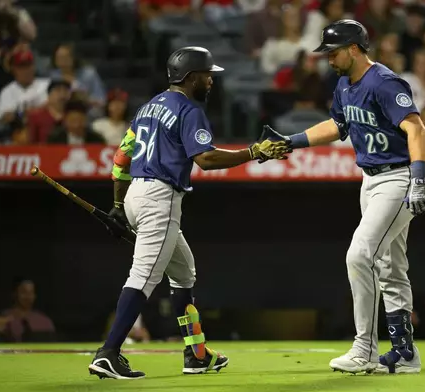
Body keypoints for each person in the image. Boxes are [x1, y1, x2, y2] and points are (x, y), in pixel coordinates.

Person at [87, 46, 291, 380]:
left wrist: (119, 206)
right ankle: (109, 352)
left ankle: (196, 354)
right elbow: (206, 159)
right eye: (207, 75)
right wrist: (253, 151)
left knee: (184, 273)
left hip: (138, 193)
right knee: (143, 276)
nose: (211, 80)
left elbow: (121, 160)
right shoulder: (189, 108)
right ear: (190, 77)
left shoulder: (147, 108)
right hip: (160, 197)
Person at [262, 20, 425, 374]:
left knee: (360, 256)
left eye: (333, 52)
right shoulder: (344, 85)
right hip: (370, 180)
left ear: (354, 48)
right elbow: (338, 127)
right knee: (390, 267)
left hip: (400, 176)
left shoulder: (383, 82)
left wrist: (417, 177)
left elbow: (415, 127)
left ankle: (365, 349)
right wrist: (292, 141)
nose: (328, 59)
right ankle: (404, 353)